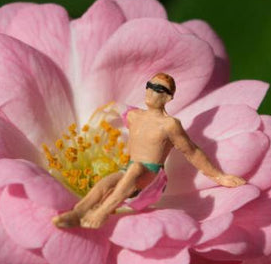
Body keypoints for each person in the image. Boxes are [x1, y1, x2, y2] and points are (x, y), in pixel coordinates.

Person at [52, 72, 246, 229]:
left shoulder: (170, 125)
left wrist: (220, 177)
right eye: (150, 87)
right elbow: (114, 110)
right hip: (128, 170)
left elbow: (192, 152)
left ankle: (100, 213)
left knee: (135, 169)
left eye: (159, 90)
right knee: (105, 183)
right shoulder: (135, 115)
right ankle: (77, 213)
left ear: (169, 97)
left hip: (151, 177)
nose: (152, 93)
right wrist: (106, 113)